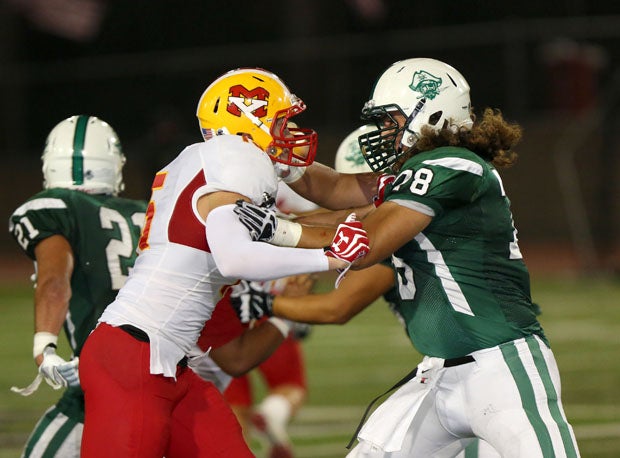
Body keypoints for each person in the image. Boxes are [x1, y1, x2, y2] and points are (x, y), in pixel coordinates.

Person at [234, 58, 581, 457]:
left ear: (431, 111)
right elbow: (335, 194)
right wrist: (280, 164)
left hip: (499, 364)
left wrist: (275, 231)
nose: (382, 131)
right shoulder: (419, 173)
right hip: (439, 375)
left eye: (389, 119)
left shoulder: (453, 164)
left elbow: (368, 243)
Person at [78, 67, 369, 457]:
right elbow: (234, 257)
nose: (291, 132)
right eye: (282, 121)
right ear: (248, 121)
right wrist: (329, 258)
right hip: (136, 358)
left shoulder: (207, 157)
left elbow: (333, 188)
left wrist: (396, 184)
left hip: (167, 363)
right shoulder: (239, 156)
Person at [8, 115, 148, 458]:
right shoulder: (147, 214)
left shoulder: (54, 207)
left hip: (104, 378)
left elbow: (55, 281)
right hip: (166, 368)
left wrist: (45, 347)